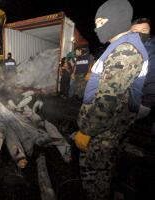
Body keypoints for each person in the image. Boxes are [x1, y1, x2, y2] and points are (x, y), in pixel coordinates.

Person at [73, 0, 149, 200]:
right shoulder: (119, 47)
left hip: (104, 129)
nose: (97, 27)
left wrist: (86, 131)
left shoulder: (125, 51)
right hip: (109, 127)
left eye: (101, 22)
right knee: (107, 168)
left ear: (116, 19)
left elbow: (106, 103)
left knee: (95, 174)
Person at [130, 18, 155, 120]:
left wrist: (146, 105)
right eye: (135, 31)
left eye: (144, 31)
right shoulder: (126, 47)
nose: (139, 34)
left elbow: (153, 80)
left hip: (135, 103)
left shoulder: (151, 52)